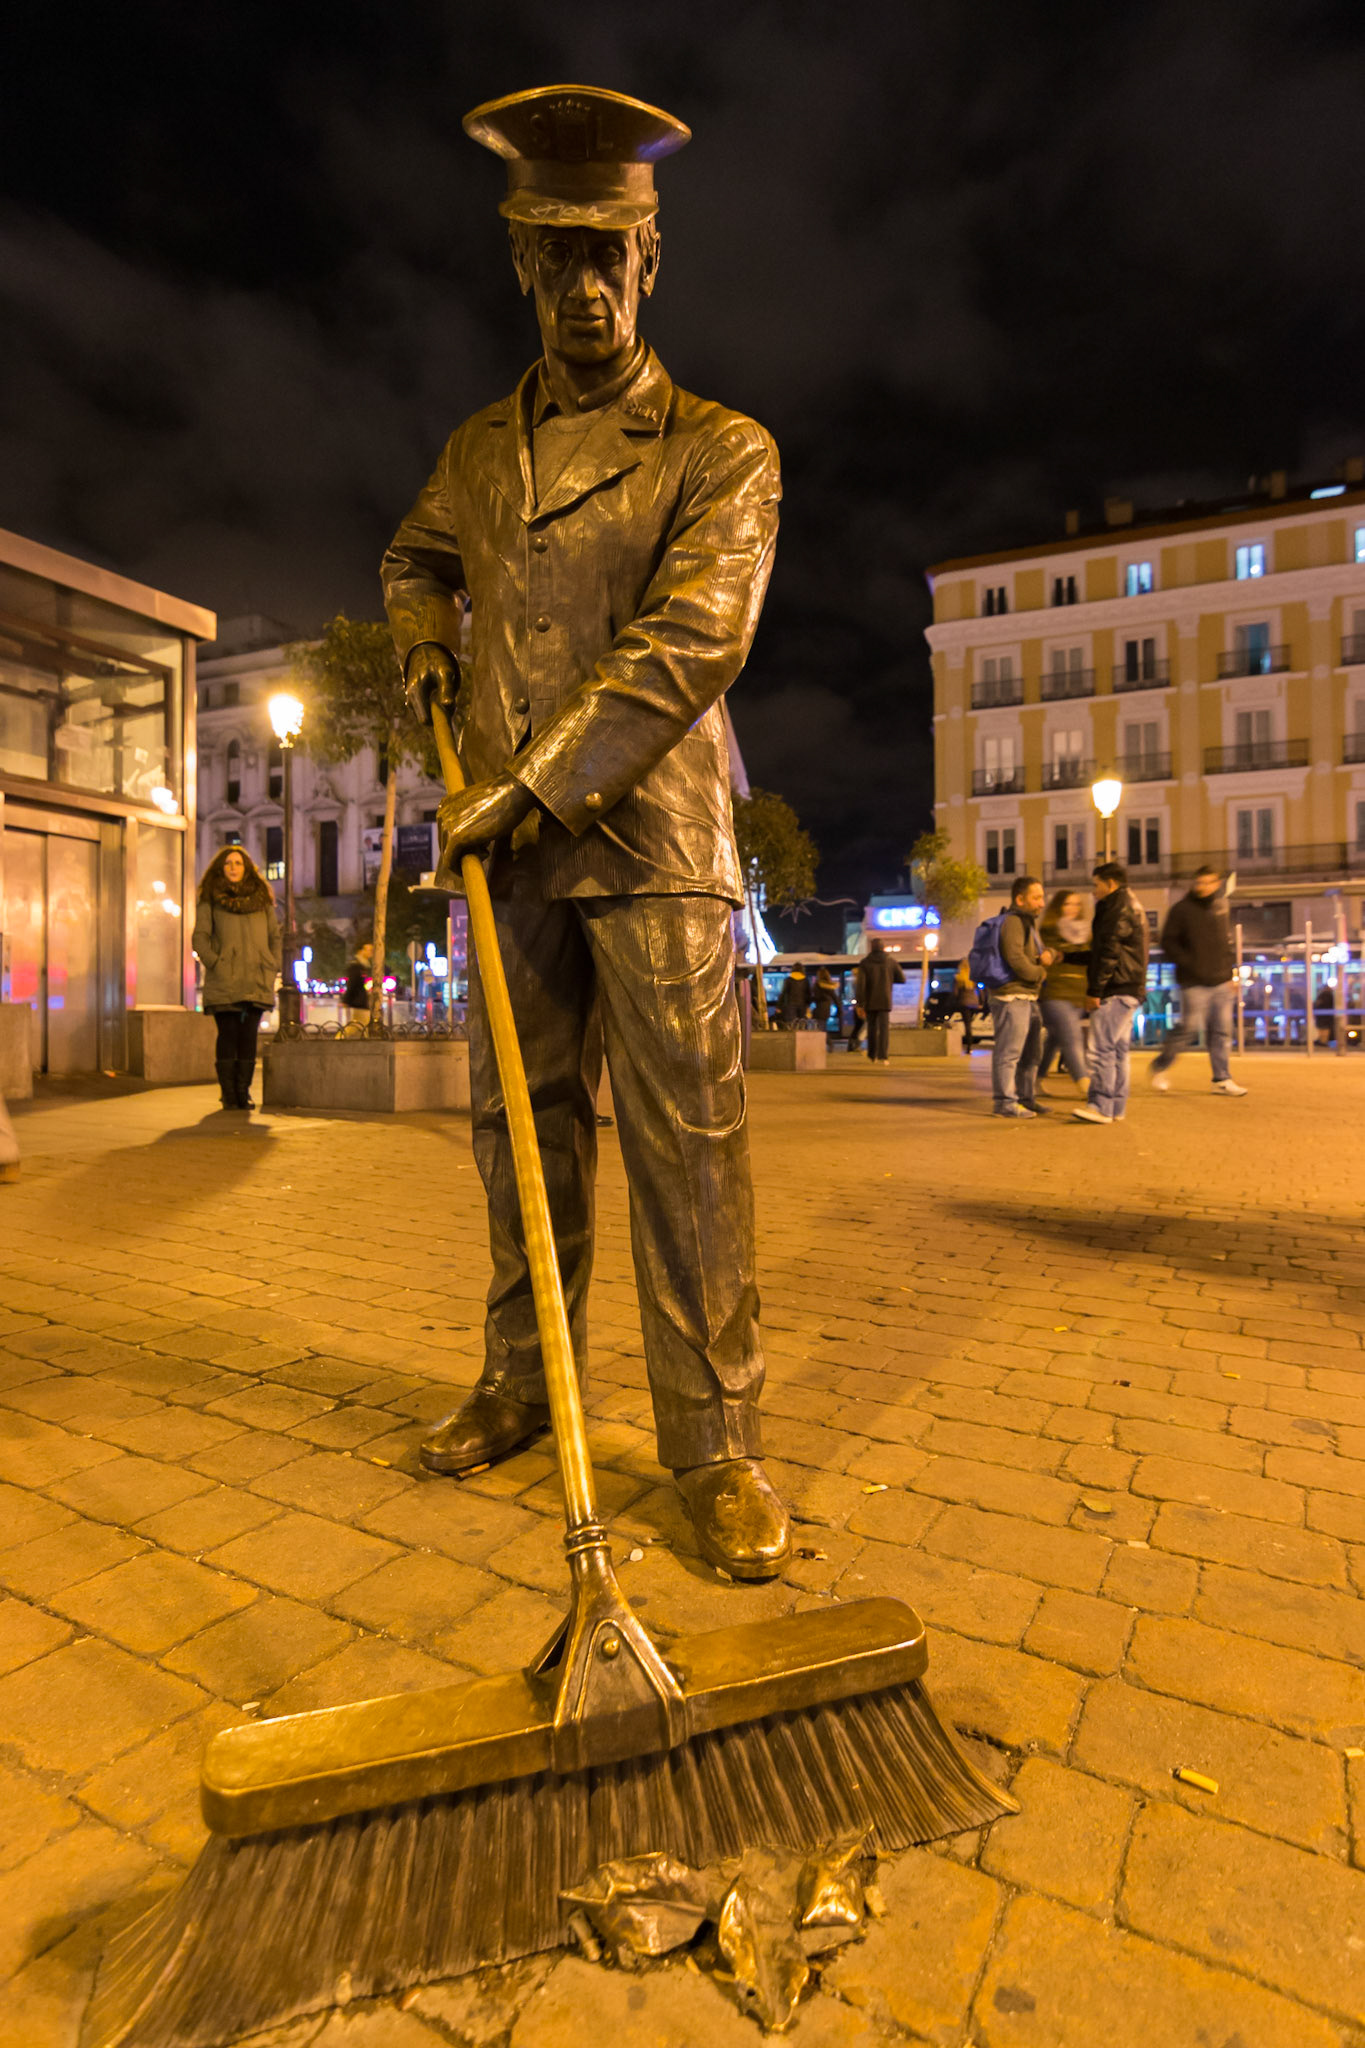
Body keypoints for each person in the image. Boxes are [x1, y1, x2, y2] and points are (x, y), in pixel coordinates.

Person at [384, 85, 790, 1580]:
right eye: (555, 258)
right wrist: (424, 633)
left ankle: (713, 1446)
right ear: (521, 271)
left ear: (650, 260)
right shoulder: (481, 448)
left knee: (687, 1149)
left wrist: (532, 781)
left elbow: (691, 642)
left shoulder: (721, 451)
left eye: (609, 253)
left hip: (653, 847)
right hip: (508, 853)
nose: (585, 285)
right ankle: (518, 1380)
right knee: (518, 1135)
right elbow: (413, 552)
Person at [193, 847, 281, 1110]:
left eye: (238, 863)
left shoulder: (262, 900)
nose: (233, 867)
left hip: (256, 977)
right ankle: (229, 1093)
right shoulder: (211, 899)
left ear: (247, 868)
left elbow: (274, 936)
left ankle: (243, 1092)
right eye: (228, 863)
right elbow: (200, 937)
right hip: (226, 979)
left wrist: (272, 962)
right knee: (228, 1034)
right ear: (220, 868)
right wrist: (216, 962)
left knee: (249, 1036)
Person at [1149, 867, 1248, 1096]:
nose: (1202, 887)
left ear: (1216, 883)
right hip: (1193, 982)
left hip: (1221, 981)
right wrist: (1191, 965)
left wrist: (1230, 974)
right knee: (1189, 1029)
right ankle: (1160, 1066)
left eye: (1207, 882)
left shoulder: (1220, 907)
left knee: (1221, 1031)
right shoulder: (1181, 910)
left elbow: (1225, 944)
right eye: (1199, 882)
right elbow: (1168, 943)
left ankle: (1221, 1079)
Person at [1075, 861, 1149, 1124]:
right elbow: (1104, 953)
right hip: (1129, 988)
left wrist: (1095, 990)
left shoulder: (1116, 909)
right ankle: (1117, 1107)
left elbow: (1108, 953)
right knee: (1118, 1051)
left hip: (1115, 989)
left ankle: (1101, 1106)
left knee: (1101, 1049)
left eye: (1096, 885)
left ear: (1111, 884)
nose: (1093, 891)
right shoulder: (1131, 904)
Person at [989, 875, 1055, 1117]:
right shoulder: (1014, 922)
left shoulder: (1028, 923)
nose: (1041, 903)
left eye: (1042, 897)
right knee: (1009, 1052)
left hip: (1027, 996)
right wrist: (1040, 973)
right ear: (1020, 899)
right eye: (1036, 897)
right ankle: (1004, 1102)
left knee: (1031, 1052)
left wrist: (1047, 956)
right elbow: (1015, 958)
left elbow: (1028, 956)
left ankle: (1026, 1098)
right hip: (1011, 996)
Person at [1036, 889, 1090, 1093]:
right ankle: (1085, 1084)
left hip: (1078, 994)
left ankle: (1036, 1079)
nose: (1073, 909)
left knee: (1055, 1039)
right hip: (1056, 993)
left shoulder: (1086, 933)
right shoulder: (1049, 931)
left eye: (1077, 904)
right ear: (1059, 907)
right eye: (1068, 904)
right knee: (1072, 1037)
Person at [854, 936, 904, 1064]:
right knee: (884, 1029)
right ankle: (884, 1056)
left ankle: (872, 1055)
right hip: (885, 999)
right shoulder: (891, 961)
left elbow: (861, 985)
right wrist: (889, 979)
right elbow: (902, 978)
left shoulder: (865, 962)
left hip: (870, 1000)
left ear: (871, 947)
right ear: (883, 947)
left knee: (871, 1028)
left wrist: (860, 1002)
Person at [953, 957, 981, 1053]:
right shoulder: (973, 977)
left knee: (967, 1025)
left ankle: (969, 1047)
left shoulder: (958, 977)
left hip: (963, 1003)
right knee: (970, 1025)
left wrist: (956, 1001)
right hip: (974, 1003)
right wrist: (980, 1002)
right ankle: (970, 1046)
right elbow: (980, 991)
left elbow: (955, 993)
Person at [343, 941, 374, 1015]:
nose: (371, 952)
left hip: (361, 1003)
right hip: (357, 1004)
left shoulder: (365, 965)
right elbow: (352, 984)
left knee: (359, 1025)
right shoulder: (356, 965)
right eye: (369, 950)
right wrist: (346, 1001)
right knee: (358, 1025)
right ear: (361, 951)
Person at [777, 962, 810, 1027]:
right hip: (802, 1005)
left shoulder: (788, 980)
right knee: (802, 1024)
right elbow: (808, 994)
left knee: (792, 1024)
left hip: (790, 1005)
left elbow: (783, 993)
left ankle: (793, 1036)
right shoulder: (805, 980)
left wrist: (779, 1006)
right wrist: (808, 1005)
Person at [811, 963, 840, 1032]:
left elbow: (816, 997)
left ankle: (829, 1043)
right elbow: (835, 998)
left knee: (821, 1030)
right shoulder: (829, 986)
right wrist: (840, 1009)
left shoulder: (817, 985)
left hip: (819, 1009)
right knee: (822, 1028)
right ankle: (827, 1042)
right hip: (827, 1010)